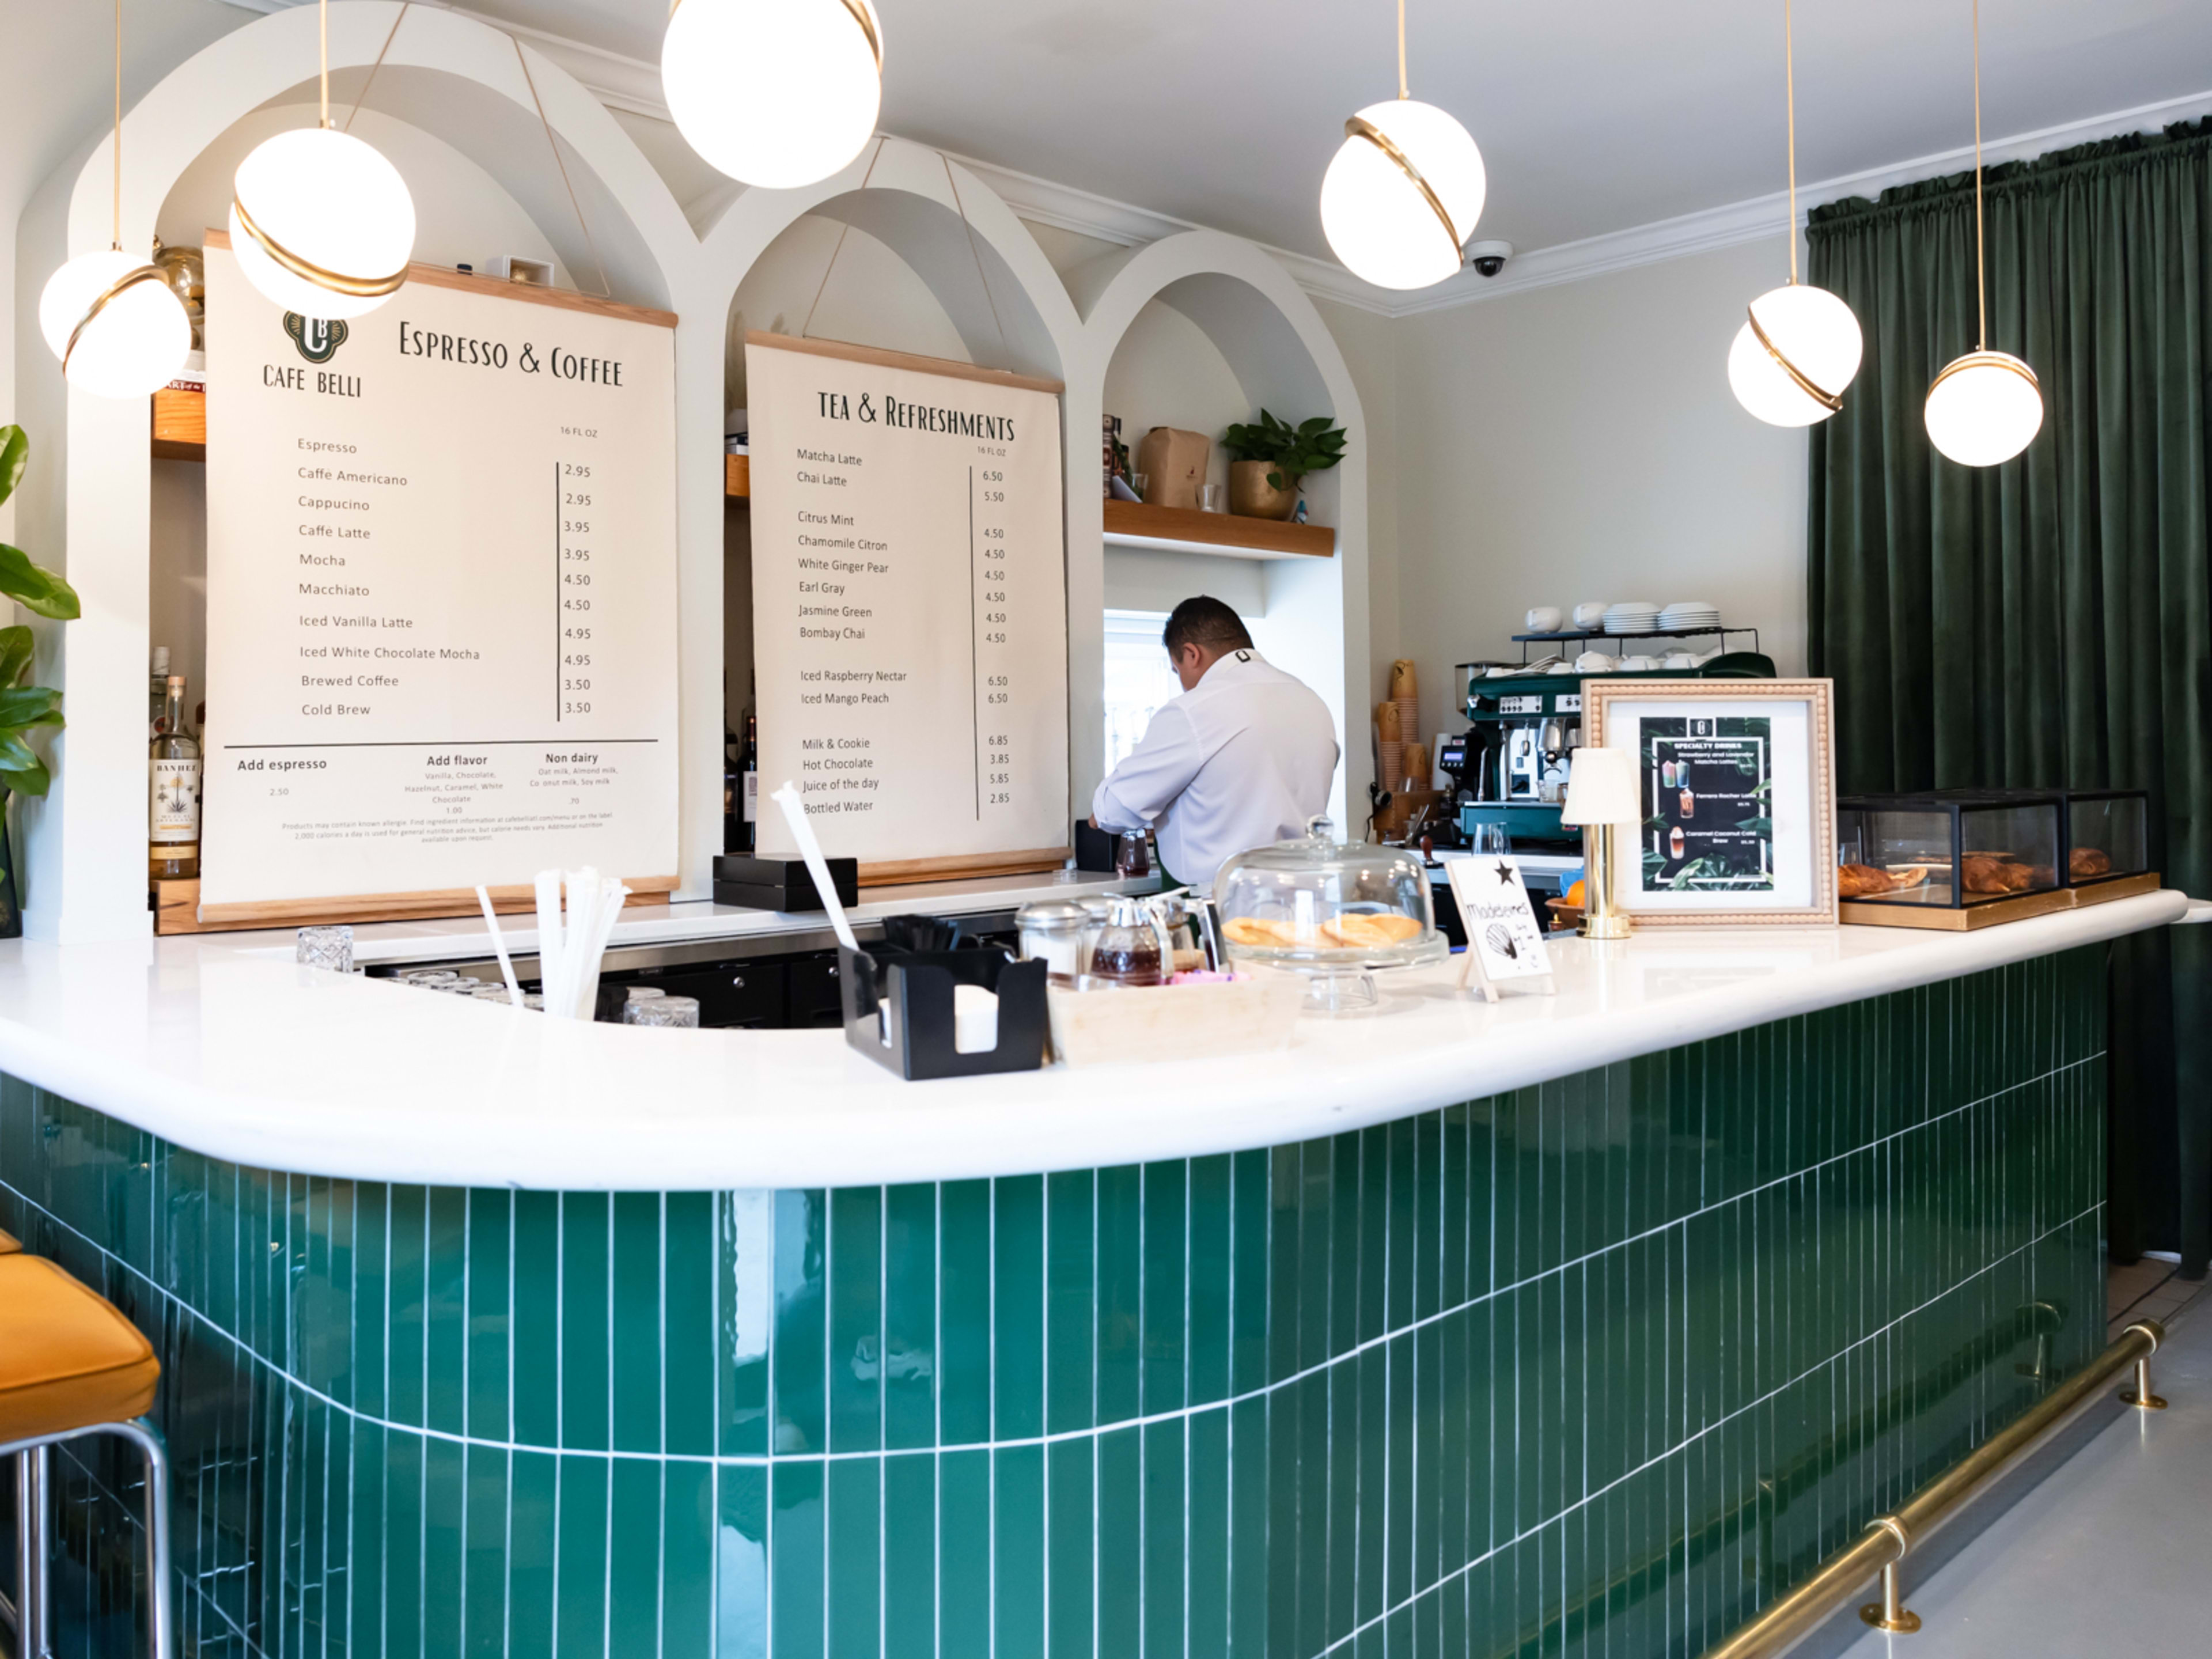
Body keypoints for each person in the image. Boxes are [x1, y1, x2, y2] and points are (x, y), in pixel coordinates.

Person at [1092, 596, 1340, 889]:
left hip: (1219, 907)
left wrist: (1098, 817)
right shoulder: (1312, 701)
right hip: (1304, 901)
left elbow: (1114, 810)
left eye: (1177, 670)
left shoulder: (1195, 710)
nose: (1182, 681)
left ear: (1191, 654)